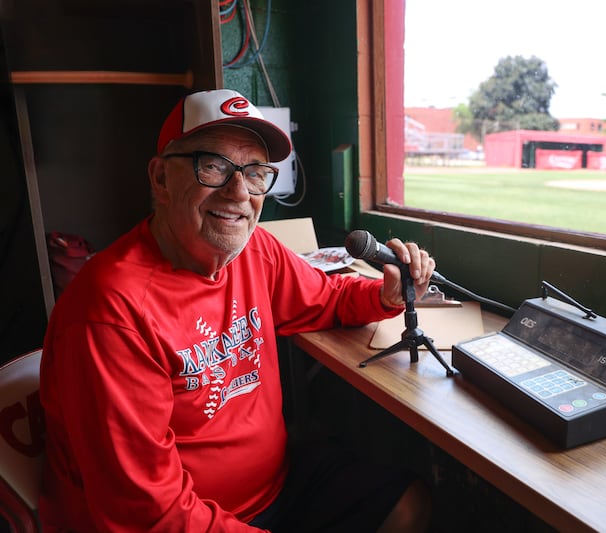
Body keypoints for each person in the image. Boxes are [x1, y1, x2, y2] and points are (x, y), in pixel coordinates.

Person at [38, 89, 434, 532]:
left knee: (406, 505)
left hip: (273, 488)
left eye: (255, 172)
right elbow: (150, 513)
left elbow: (326, 298)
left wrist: (387, 297)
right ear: (161, 179)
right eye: (213, 166)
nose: (238, 191)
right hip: (177, 519)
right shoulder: (110, 311)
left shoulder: (253, 251)